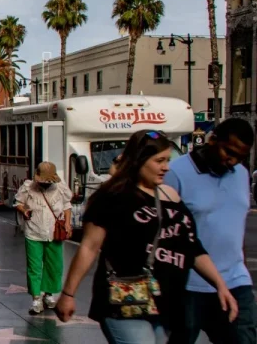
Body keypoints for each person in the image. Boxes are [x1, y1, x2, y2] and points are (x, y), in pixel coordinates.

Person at [56, 130, 238, 343]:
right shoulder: (112, 197)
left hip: (167, 303)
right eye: (159, 160)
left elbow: (192, 247)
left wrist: (220, 285)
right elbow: (89, 247)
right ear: (139, 160)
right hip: (125, 301)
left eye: (167, 160)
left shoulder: (170, 195)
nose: (166, 167)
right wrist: (68, 294)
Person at [163, 118, 257, 343]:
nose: (232, 161)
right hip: (187, 285)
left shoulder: (241, 174)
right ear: (212, 139)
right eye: (229, 151)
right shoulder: (175, 172)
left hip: (235, 281)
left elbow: (236, 226)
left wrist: (240, 261)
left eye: (241, 157)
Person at [14, 162, 73, 314]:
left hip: (54, 233)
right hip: (34, 231)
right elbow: (18, 203)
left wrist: (67, 223)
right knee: (34, 267)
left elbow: (67, 206)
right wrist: (24, 210)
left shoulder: (60, 188)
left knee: (54, 265)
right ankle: (36, 298)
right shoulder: (28, 187)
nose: (46, 183)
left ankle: (48, 294)